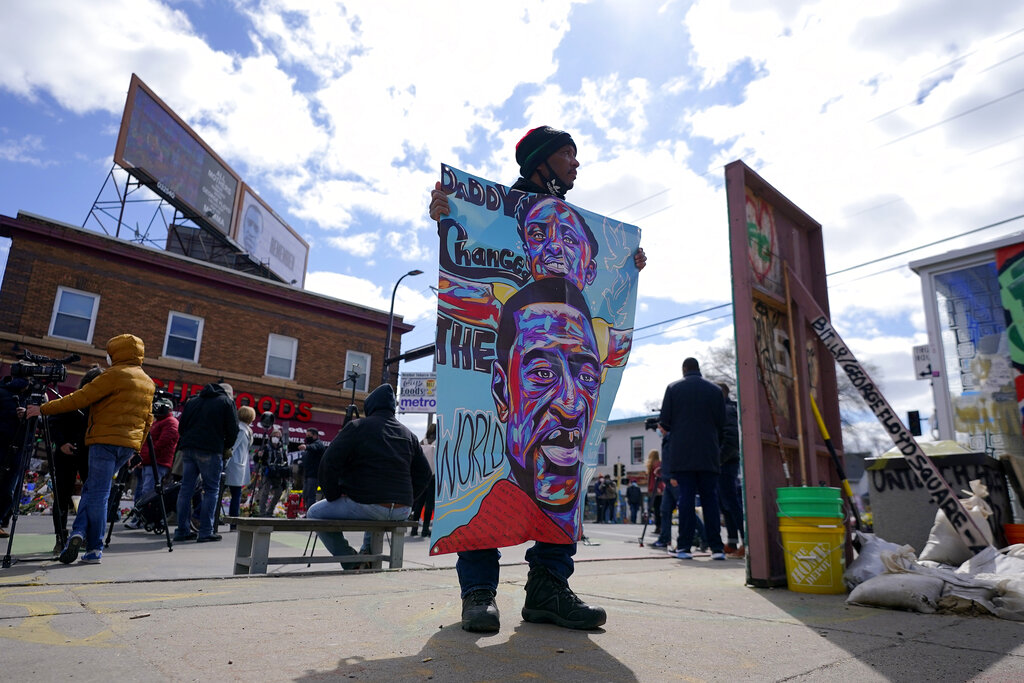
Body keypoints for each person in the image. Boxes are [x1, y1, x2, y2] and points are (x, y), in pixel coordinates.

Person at [429, 125, 646, 633]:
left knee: (567, 474)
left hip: (557, 357)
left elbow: (610, 303)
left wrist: (628, 269)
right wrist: (446, 211)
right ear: (542, 161)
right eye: (568, 155)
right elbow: (466, 251)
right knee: (484, 469)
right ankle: (478, 590)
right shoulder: (502, 214)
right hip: (500, 361)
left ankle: (549, 586)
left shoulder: (581, 234)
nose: (576, 165)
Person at [27, 334, 155, 565]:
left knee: (98, 493)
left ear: (116, 353)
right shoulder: (148, 381)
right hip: (127, 445)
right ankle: (78, 533)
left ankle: (93, 547)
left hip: (103, 441)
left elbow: (79, 398)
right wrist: (137, 446)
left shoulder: (113, 375)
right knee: (93, 489)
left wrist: (43, 409)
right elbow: (148, 420)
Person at [309, 384, 431, 568]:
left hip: (370, 505)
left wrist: (333, 494)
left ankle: (352, 561)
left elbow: (328, 463)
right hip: (402, 510)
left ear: (370, 406)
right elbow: (425, 473)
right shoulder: (410, 435)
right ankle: (367, 554)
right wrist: (409, 499)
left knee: (314, 513)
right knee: (372, 503)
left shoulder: (357, 426)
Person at [658, 358, 727, 561]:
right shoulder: (715, 391)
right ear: (699, 369)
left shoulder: (673, 388)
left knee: (685, 501)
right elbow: (721, 423)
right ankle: (717, 548)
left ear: (684, 370)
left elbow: (665, 422)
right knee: (710, 500)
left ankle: (684, 547)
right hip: (708, 454)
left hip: (683, 455)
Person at [174, 382, 238, 542]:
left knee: (185, 490)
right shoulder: (226, 402)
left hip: (188, 448)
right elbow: (233, 429)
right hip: (211, 449)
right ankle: (205, 531)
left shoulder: (193, 400)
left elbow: (181, 427)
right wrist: (226, 446)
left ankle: (182, 530)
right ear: (228, 393)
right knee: (211, 490)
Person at [126, 393, 178, 529]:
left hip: (157, 462)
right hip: (148, 462)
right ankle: (141, 517)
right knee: (143, 490)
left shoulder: (170, 422)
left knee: (148, 492)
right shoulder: (159, 422)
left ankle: (143, 518)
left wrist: (146, 458)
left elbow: (162, 445)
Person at [717, 383, 745, 559]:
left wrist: (718, 460)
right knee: (725, 504)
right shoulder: (724, 410)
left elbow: (731, 438)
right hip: (724, 463)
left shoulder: (727, 411)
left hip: (726, 463)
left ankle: (746, 541)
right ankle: (733, 542)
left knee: (732, 503)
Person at [225, 406, 256, 523]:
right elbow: (232, 448)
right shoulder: (242, 430)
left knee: (234, 494)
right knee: (235, 495)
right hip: (233, 465)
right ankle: (233, 521)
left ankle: (231, 520)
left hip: (235, 465)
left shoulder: (244, 429)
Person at [256, 426, 291, 516]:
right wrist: (259, 455)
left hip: (278, 473)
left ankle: (270, 511)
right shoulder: (266, 447)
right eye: (275, 436)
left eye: (278, 436)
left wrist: (286, 472)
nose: (276, 438)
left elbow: (286, 460)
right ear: (271, 437)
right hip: (267, 472)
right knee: (265, 492)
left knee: (279, 492)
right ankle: (262, 512)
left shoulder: (282, 448)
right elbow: (257, 458)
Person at [410, 422, 436, 537]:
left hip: (422, 476)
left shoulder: (422, 442)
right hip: (433, 477)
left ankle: (414, 529)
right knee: (429, 504)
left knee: (419, 503)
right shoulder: (438, 443)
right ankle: (425, 529)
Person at [300, 427, 327, 512]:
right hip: (308, 474)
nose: (307, 437)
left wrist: (306, 447)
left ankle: (310, 513)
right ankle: (307, 511)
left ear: (315, 436)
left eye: (309, 435)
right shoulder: (312, 446)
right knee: (305, 494)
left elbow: (314, 447)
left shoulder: (318, 444)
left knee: (310, 495)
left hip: (314, 475)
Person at [645, 450, 664, 531]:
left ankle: (658, 526)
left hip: (655, 489)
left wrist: (653, 488)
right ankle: (660, 526)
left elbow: (656, 478)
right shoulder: (660, 464)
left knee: (656, 509)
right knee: (659, 508)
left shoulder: (653, 465)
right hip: (660, 489)